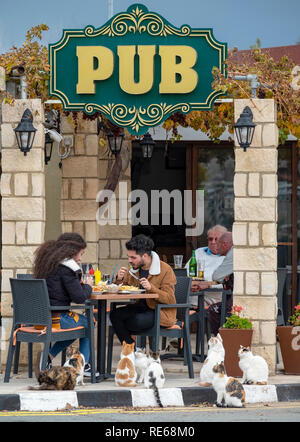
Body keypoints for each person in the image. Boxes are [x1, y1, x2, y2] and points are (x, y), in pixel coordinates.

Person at [33, 233, 94, 376]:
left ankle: (48, 356)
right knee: (88, 322)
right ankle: (84, 366)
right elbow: (79, 298)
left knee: (79, 324)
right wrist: (88, 286)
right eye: (81, 254)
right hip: (56, 319)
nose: (80, 258)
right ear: (72, 251)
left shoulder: (47, 263)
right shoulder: (67, 268)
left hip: (39, 319)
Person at [110, 234, 177, 346]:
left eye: (133, 258)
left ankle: (132, 349)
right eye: (128, 257)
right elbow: (122, 287)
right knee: (114, 315)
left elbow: (169, 299)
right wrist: (119, 279)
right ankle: (132, 350)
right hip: (140, 307)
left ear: (145, 256)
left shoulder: (165, 270)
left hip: (159, 311)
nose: (129, 260)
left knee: (134, 321)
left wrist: (151, 288)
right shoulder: (134, 270)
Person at [185, 225, 227, 308]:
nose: (213, 242)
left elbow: (228, 283)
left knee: (186, 299)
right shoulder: (199, 252)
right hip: (195, 290)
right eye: (210, 239)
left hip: (215, 295)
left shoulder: (228, 256)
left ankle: (189, 316)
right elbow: (186, 272)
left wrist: (207, 285)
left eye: (216, 239)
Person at [208, 232, 234, 336]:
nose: (216, 247)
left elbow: (216, 276)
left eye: (217, 244)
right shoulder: (236, 252)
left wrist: (224, 276)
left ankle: (222, 342)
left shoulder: (233, 253)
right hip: (237, 296)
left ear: (225, 244)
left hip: (238, 300)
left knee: (214, 309)